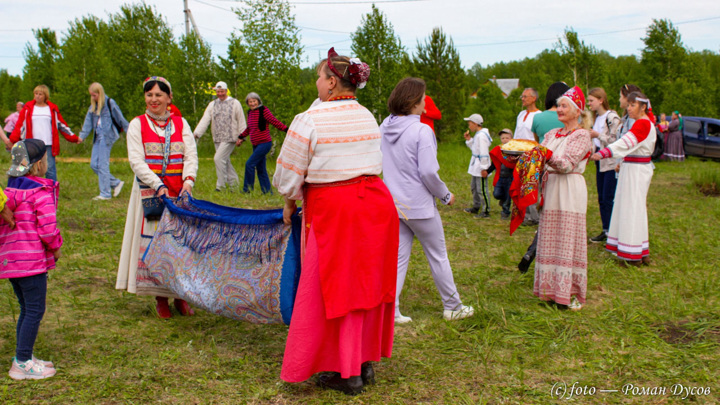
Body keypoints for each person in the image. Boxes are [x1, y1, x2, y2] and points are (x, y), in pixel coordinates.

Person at [273, 48, 397, 395]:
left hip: (336, 209)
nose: (316, 82)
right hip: (375, 205)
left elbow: (287, 173)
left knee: (330, 288)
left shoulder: (310, 119)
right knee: (364, 285)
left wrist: (288, 201)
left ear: (331, 82)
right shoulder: (368, 116)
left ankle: (348, 372)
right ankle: (361, 362)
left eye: (318, 76)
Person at [380, 77, 474, 325]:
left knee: (398, 257)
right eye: (423, 98)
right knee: (438, 255)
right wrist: (445, 195)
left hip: (394, 203)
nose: (425, 103)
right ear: (414, 102)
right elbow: (428, 172)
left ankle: (392, 309)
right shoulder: (422, 130)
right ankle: (452, 306)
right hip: (419, 205)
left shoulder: (385, 126)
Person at [116, 76, 198, 319]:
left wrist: (188, 181)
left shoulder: (181, 124)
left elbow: (190, 156)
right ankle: (161, 298)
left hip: (180, 193)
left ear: (169, 98)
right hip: (150, 194)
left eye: (159, 94)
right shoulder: (137, 124)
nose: (154, 99)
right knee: (156, 245)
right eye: (149, 94)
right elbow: (136, 160)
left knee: (180, 246)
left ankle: (181, 297)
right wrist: (157, 185)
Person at [0, 139, 60, 380]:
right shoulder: (40, 193)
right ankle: (22, 362)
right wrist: (56, 248)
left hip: (12, 263)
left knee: (27, 310)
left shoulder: (7, 194)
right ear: (38, 165)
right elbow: (47, 229)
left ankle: (23, 355)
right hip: (32, 264)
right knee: (35, 310)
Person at [534, 86, 592, 311]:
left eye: (564, 106)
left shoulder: (581, 135)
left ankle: (568, 293)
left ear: (577, 111)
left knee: (569, 239)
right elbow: (539, 158)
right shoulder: (551, 134)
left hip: (569, 188)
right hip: (552, 188)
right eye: (558, 105)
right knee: (551, 235)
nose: (559, 109)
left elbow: (567, 164)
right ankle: (549, 292)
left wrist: (543, 156)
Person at [590, 91, 656, 265]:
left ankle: (631, 254)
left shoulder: (643, 124)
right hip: (632, 168)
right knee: (629, 207)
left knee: (631, 209)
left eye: (633, 105)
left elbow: (627, 142)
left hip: (637, 171)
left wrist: (604, 153)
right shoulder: (640, 123)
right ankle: (638, 251)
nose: (629, 108)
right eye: (628, 105)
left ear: (643, 107)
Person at [517, 82, 570, 273]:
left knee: (545, 209)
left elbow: (538, 144)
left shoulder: (538, 118)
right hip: (565, 168)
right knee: (563, 215)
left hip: (545, 167)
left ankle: (535, 249)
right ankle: (552, 253)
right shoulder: (567, 117)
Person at [9, 85, 81, 181]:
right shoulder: (28, 108)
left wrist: (74, 138)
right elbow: (19, 125)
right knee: (30, 169)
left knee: (50, 169)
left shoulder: (52, 109)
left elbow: (62, 125)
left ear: (45, 96)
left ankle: (52, 192)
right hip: (31, 145)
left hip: (48, 144)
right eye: (36, 93)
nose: (37, 96)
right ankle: (32, 191)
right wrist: (13, 139)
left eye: (40, 94)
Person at [78, 83, 129, 201]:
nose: (93, 98)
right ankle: (115, 183)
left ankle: (105, 193)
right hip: (97, 136)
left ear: (100, 93)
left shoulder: (110, 103)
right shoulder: (92, 107)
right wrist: (81, 137)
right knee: (94, 164)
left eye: (94, 95)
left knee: (102, 164)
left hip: (107, 137)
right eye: (91, 95)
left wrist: (130, 133)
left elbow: (121, 119)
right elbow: (88, 123)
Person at [193, 81, 247, 191]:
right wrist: (197, 133)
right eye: (218, 92)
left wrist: (242, 136)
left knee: (218, 158)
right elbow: (205, 119)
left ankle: (220, 186)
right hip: (217, 137)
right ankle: (234, 185)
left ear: (226, 91)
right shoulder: (212, 104)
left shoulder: (235, 103)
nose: (220, 94)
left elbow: (241, 119)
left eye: (222, 91)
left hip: (230, 137)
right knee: (224, 161)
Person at [587, 87, 621, 243]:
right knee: (601, 197)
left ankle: (614, 232)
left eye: (591, 101)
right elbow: (595, 142)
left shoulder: (611, 117)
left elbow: (616, 140)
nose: (589, 104)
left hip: (610, 162)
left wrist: (597, 135)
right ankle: (606, 229)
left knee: (609, 197)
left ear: (601, 100)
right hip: (599, 161)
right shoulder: (596, 119)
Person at [237, 92, 287, 194]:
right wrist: (241, 137)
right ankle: (267, 192)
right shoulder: (250, 113)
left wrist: (287, 130)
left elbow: (274, 121)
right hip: (255, 144)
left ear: (258, 101)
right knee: (261, 169)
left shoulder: (263, 110)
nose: (252, 103)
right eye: (250, 102)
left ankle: (247, 190)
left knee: (249, 164)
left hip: (265, 143)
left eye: (254, 101)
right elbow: (249, 128)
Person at [462, 114, 492, 218]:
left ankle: (486, 210)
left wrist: (484, 168)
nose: (469, 126)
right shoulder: (478, 135)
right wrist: (469, 140)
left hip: (480, 166)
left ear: (475, 124)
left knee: (481, 189)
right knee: (474, 187)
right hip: (475, 166)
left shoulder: (482, 136)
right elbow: (475, 149)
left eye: (470, 124)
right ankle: (476, 206)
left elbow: (484, 152)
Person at [487, 128, 514, 220]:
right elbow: (494, 163)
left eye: (507, 138)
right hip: (500, 176)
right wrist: (487, 171)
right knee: (497, 194)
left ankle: (505, 212)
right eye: (503, 138)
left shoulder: (514, 151)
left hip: (510, 177)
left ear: (511, 139)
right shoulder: (499, 150)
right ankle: (502, 199)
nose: (505, 140)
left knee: (508, 195)